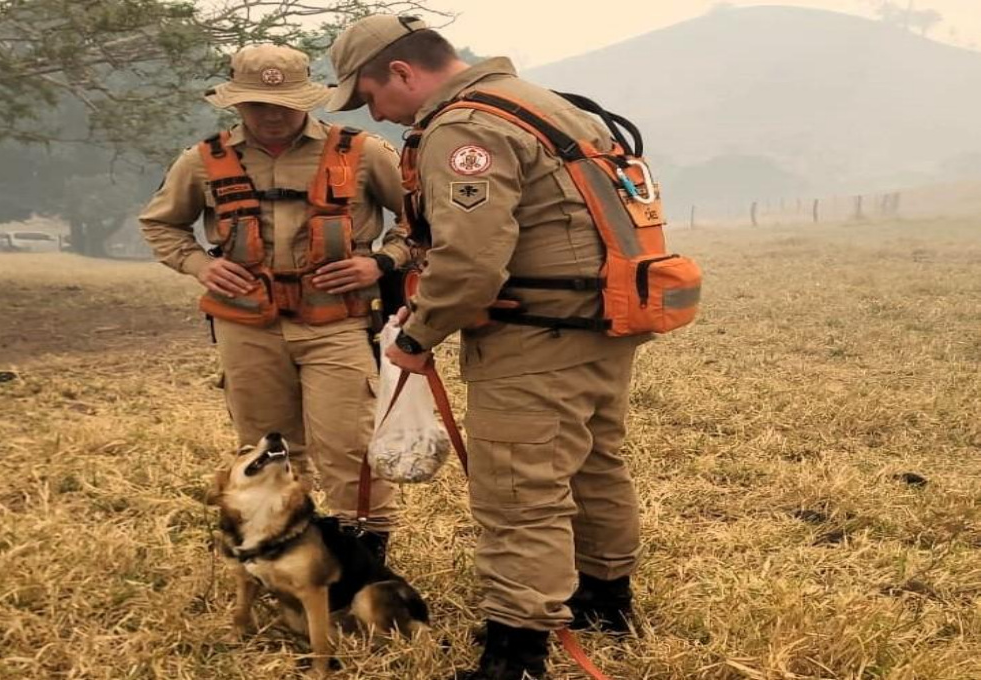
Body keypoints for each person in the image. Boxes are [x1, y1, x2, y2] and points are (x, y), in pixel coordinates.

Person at [327, 15, 650, 680]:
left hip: (534, 335)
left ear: (401, 73)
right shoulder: (544, 102)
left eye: (370, 98)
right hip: (601, 321)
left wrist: (417, 336)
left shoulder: (464, 125)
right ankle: (605, 601)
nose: (378, 116)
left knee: (516, 490)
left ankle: (518, 650)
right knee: (594, 463)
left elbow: (472, 261)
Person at [139, 44, 411, 561]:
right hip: (248, 326)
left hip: (337, 321)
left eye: (283, 103)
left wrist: (381, 262)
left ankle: (364, 561)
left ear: (306, 99)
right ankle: (280, 556)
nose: (270, 115)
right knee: (266, 450)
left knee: (348, 447)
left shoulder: (364, 152)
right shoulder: (202, 161)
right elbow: (160, 224)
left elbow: (424, 219)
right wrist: (202, 265)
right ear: (236, 104)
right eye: (256, 103)